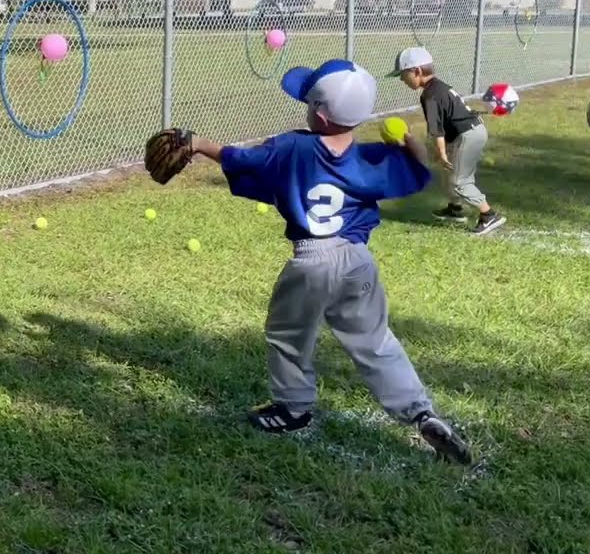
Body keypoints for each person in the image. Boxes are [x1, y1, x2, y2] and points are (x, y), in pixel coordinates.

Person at [184, 59, 472, 465]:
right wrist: (407, 141)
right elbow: (417, 167)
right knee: (375, 341)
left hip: (311, 261)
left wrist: (198, 144)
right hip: (357, 260)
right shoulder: (371, 159)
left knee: (288, 336)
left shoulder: (292, 148)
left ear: (319, 115)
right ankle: (421, 413)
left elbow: (240, 159)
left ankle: (293, 409)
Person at [393, 47, 506, 235]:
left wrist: (442, 152)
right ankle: (455, 209)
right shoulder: (437, 86)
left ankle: (489, 215)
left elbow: (436, 129)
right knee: (448, 173)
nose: (401, 79)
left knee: (461, 181)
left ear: (417, 71)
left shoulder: (430, 95)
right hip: (468, 132)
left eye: (403, 74)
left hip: (468, 135)